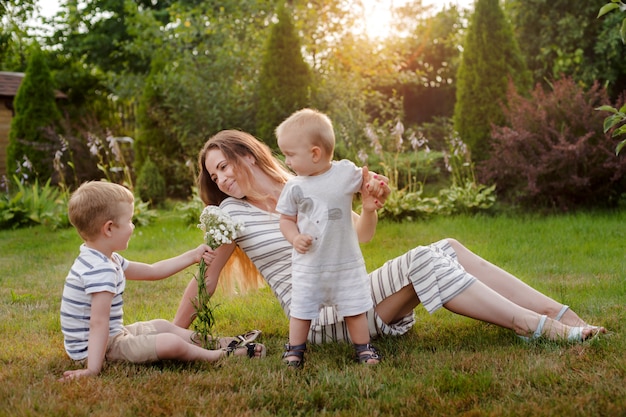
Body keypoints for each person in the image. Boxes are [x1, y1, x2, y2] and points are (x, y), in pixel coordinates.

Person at [173, 128, 605, 359]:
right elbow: (206, 280)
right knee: (423, 260)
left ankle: (554, 313)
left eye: (225, 165)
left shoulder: (304, 185)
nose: (222, 179)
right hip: (320, 319)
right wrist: (175, 334)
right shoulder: (230, 215)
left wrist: (370, 206)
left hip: (353, 293)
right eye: (214, 175)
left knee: (449, 247)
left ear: (248, 154)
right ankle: (531, 326)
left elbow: (358, 236)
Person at [59, 181, 265, 381]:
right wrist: (93, 368)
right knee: (169, 343)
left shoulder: (101, 257)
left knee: (163, 325)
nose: (132, 226)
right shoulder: (100, 270)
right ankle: (220, 355)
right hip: (99, 349)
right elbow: (98, 322)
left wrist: (192, 255)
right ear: (109, 228)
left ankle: (221, 343)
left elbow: (152, 270)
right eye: (130, 221)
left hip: (112, 336)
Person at [274, 109, 385, 367]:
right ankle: (295, 349)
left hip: (344, 262)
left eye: (290, 155)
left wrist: (377, 186)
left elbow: (370, 182)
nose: (287, 162)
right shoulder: (294, 186)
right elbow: (285, 219)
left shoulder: (345, 173)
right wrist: (294, 238)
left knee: (354, 308)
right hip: (309, 265)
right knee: (301, 310)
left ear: (315, 153)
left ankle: (363, 348)